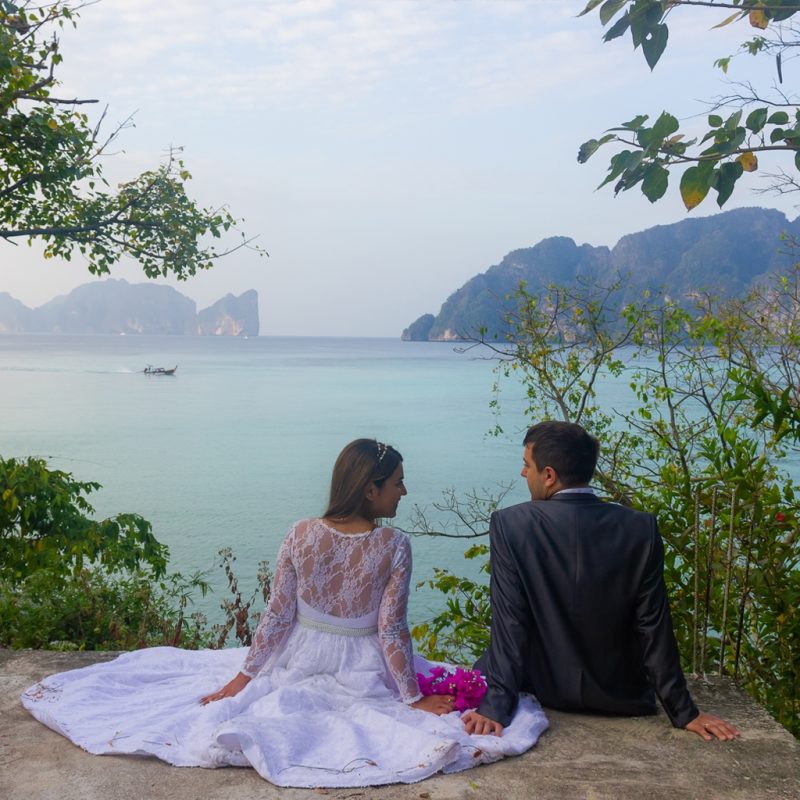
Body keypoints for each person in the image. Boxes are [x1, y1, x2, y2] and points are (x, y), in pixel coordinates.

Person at [21, 438, 548, 788]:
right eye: (397, 482)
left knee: (263, 702)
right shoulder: (394, 545)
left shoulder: (300, 532)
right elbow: (390, 629)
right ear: (370, 488)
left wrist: (243, 678)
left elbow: (276, 616)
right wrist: (411, 697)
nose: (404, 491)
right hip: (363, 666)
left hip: (299, 655)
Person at [462, 421, 740, 743]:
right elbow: (653, 626)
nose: (524, 473)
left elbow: (511, 623)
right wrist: (684, 711)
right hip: (618, 695)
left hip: (543, 687)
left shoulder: (511, 525)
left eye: (527, 465)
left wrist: (495, 707)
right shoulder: (640, 528)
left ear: (549, 475)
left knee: (478, 666)